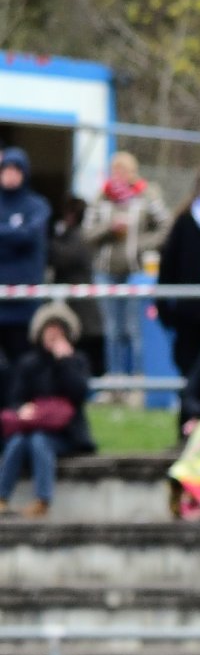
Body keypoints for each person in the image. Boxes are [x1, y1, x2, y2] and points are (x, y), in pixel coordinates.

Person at [83, 151, 170, 388]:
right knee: (113, 328)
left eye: (125, 170)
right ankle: (115, 379)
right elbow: (87, 233)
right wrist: (109, 228)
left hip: (136, 270)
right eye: (116, 170)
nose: (120, 175)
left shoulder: (147, 195)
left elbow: (165, 226)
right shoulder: (101, 198)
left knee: (135, 327)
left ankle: (137, 380)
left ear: (134, 172)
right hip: (106, 270)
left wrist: (142, 245)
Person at [0, 303, 94, 519]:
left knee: (39, 441)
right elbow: (14, 398)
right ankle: (2, 497)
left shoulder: (76, 361)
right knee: (17, 442)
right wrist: (22, 409)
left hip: (65, 433)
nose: (54, 335)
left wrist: (65, 362)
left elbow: (79, 394)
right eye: (49, 330)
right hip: (29, 428)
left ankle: (42, 500)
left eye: (59, 330)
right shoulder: (28, 364)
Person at [157, 167, 200, 384]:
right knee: (188, 367)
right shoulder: (185, 221)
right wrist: (164, 307)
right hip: (187, 313)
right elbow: (167, 266)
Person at [0, 147, 52, 367]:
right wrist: (14, 234)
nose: (11, 175)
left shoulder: (37, 205)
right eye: (6, 170)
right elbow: (20, 236)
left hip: (25, 304)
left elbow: (30, 236)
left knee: (23, 362)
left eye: (16, 170)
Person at [47, 195, 105, 377]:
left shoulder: (78, 237)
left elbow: (63, 258)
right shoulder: (68, 236)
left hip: (81, 309)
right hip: (74, 305)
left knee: (83, 352)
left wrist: (48, 242)